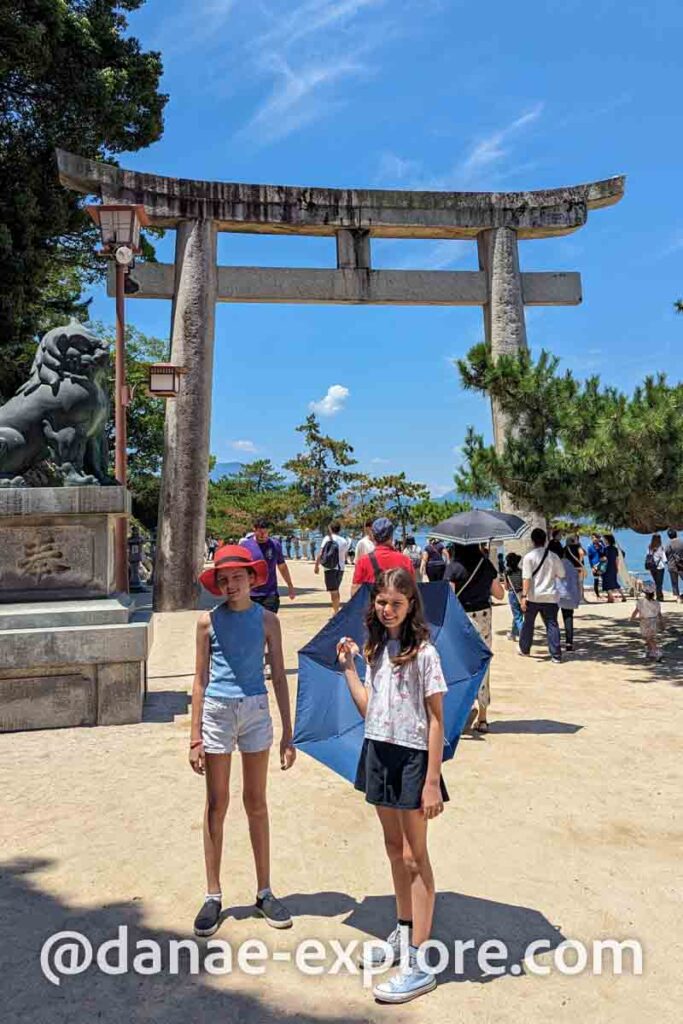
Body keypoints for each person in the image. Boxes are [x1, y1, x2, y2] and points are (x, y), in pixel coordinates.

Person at [336, 567, 448, 1003]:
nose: (387, 610)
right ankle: (403, 932)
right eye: (381, 602)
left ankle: (420, 962)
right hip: (379, 751)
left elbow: (437, 719)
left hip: (414, 758)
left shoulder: (425, 655)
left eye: (395, 604)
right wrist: (348, 669)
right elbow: (370, 708)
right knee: (391, 848)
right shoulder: (376, 650)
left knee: (415, 855)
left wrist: (433, 781)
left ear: (410, 605)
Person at [189, 544, 296, 937]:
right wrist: (194, 735)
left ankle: (264, 890)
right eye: (223, 579)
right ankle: (213, 894)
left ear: (253, 578)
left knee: (257, 803)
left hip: (255, 710)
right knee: (217, 803)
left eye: (237, 577)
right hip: (217, 709)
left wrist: (289, 732)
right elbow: (199, 679)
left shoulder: (268, 620)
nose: (230, 585)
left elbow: (280, 675)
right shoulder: (207, 622)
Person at [444, 543, 504, 733]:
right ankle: (483, 717)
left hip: (461, 620)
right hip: (484, 619)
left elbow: (449, 597)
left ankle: (461, 713)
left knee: (459, 667)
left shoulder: (453, 568)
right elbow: (500, 594)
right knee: (482, 666)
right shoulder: (485, 565)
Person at [519, 528, 566, 663]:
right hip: (550, 596)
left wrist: (523, 596)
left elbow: (526, 578)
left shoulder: (529, 557)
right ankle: (556, 655)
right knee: (552, 624)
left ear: (532, 541)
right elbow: (562, 574)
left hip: (533, 597)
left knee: (528, 624)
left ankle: (525, 649)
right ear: (545, 540)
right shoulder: (554, 556)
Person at [240, 518, 296, 613]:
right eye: (260, 532)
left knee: (268, 624)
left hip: (270, 594)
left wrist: (290, 586)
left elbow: (282, 566)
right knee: (251, 625)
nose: (263, 535)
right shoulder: (245, 546)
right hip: (250, 594)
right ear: (254, 529)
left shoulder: (275, 545)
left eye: (265, 533)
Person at [351, 518, 414, 596]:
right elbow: (412, 589)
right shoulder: (405, 561)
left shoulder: (363, 561)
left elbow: (355, 589)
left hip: (371, 606)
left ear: (373, 536)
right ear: (391, 536)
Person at [315, 521, 350, 615]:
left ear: (330, 529)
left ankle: (336, 612)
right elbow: (345, 556)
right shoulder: (344, 541)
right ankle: (336, 610)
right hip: (340, 568)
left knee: (333, 591)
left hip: (330, 568)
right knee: (336, 589)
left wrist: (316, 565)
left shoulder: (327, 538)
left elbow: (321, 553)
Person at [556, 545, 582, 650]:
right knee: (568, 618)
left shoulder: (557, 564)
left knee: (552, 619)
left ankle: (555, 640)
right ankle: (569, 643)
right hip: (569, 596)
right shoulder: (572, 567)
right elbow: (576, 583)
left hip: (556, 595)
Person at [631, 580, 665, 661]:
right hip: (654, 621)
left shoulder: (641, 602)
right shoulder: (656, 602)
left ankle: (657, 651)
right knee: (650, 637)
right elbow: (659, 614)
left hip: (645, 622)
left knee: (649, 638)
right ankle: (650, 652)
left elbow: (636, 611)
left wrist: (632, 618)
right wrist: (662, 622)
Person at [503, 552, 524, 641]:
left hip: (513, 594)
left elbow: (506, 587)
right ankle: (513, 634)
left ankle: (523, 637)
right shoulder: (521, 571)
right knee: (518, 615)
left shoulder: (507, 573)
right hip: (522, 594)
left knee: (517, 616)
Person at [601, 533, 627, 602]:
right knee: (614, 582)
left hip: (607, 567)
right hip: (613, 567)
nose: (603, 540)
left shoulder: (605, 549)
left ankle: (611, 598)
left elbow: (604, 559)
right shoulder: (615, 549)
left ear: (607, 540)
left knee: (606, 582)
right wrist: (617, 567)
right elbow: (616, 559)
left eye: (604, 539)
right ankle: (623, 596)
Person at [645, 534, 667, 602]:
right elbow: (664, 558)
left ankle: (655, 595)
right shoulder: (660, 547)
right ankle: (659, 597)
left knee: (656, 582)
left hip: (652, 567)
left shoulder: (649, 547)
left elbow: (647, 555)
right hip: (659, 567)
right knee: (659, 583)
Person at [664, 529, 683, 603]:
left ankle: (678, 598)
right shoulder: (681, 542)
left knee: (674, 582)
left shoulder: (668, 544)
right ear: (676, 534)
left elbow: (665, 554)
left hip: (672, 565)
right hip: (681, 565)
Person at [586, 533, 606, 600]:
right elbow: (589, 558)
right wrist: (592, 567)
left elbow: (605, 551)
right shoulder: (589, 546)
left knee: (605, 579)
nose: (595, 539)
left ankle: (606, 593)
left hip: (602, 564)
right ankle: (597, 595)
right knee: (596, 580)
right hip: (595, 565)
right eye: (593, 538)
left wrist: (602, 543)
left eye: (596, 538)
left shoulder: (601, 545)